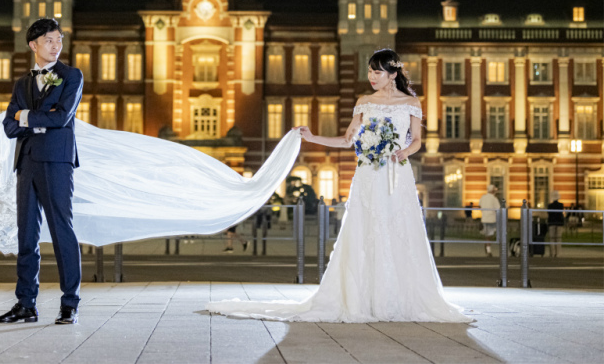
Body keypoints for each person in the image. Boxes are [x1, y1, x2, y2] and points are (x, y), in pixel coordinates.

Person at [207, 49, 470, 323]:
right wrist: (312, 137)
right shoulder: (364, 102)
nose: (371, 77)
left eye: (376, 72)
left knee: (400, 229)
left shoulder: (412, 103)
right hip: (368, 175)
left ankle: (401, 298)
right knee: (364, 231)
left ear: (393, 74)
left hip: (397, 175)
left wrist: (405, 152)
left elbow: (416, 139)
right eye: (369, 71)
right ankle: (362, 298)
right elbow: (347, 141)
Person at [0, 18, 84, 326]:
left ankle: (69, 302)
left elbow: (62, 117)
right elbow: (8, 126)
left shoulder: (71, 76)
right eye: (49, 41)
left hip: (57, 161)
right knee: (26, 236)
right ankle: (25, 303)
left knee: (61, 231)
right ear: (33, 45)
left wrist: (26, 116)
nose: (56, 46)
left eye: (59, 40)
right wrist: (39, 118)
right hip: (26, 161)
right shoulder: (22, 84)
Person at [479, 185, 500, 257]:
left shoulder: (483, 197)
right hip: (491, 219)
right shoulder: (494, 199)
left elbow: (480, 205)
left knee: (487, 235)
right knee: (489, 236)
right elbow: (498, 208)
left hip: (484, 219)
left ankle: (487, 248)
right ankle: (488, 250)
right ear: (493, 191)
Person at [547, 191, 565, 258]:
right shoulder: (561, 205)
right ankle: (558, 253)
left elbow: (549, 214)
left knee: (552, 238)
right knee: (558, 238)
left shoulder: (550, 206)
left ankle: (552, 253)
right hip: (559, 223)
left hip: (552, 223)